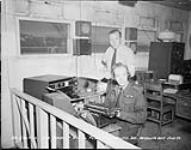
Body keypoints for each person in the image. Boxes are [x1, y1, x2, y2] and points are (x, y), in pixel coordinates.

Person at [104, 62, 147, 144]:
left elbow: (142, 117)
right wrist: (108, 110)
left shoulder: (136, 92)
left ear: (128, 74)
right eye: (117, 76)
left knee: (108, 142)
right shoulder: (114, 89)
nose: (121, 78)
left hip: (129, 128)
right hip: (114, 123)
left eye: (123, 75)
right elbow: (106, 106)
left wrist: (120, 114)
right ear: (114, 77)